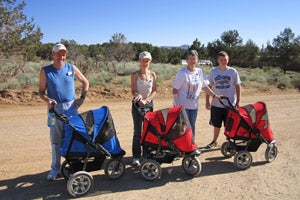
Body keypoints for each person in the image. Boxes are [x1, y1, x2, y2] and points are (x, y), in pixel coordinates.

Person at [39, 43, 89, 180]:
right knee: (56, 140)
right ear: (53, 54)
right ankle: (55, 169)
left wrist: (82, 98)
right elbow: (41, 92)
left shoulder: (71, 68)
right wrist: (47, 100)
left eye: (64, 54)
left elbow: (85, 82)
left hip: (71, 108)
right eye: (59, 53)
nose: (61, 56)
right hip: (54, 109)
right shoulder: (45, 71)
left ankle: (74, 166)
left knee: (74, 137)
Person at [173, 50, 221, 141]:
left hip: (194, 106)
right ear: (186, 60)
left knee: (192, 127)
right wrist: (177, 107)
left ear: (197, 60)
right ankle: (181, 147)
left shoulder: (199, 72)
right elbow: (175, 90)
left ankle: (191, 146)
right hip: (183, 106)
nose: (192, 61)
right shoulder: (182, 73)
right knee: (182, 128)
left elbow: (204, 87)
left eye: (194, 58)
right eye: (190, 59)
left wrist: (214, 96)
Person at [205, 51, 241, 149]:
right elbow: (209, 86)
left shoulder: (233, 71)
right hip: (216, 104)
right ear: (218, 60)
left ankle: (228, 143)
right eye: (221, 60)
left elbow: (237, 86)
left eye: (225, 60)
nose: (223, 61)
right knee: (216, 124)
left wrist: (238, 101)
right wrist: (207, 101)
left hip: (229, 104)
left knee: (229, 125)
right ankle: (214, 141)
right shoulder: (213, 71)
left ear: (228, 60)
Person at [131, 51, 157, 166]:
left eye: (147, 61)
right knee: (138, 132)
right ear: (139, 61)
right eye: (143, 61)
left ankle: (147, 154)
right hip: (137, 105)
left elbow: (154, 91)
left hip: (149, 104)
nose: (145, 63)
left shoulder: (153, 74)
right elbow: (133, 90)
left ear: (149, 62)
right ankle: (136, 156)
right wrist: (138, 95)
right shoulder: (135, 75)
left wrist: (146, 100)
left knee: (149, 130)